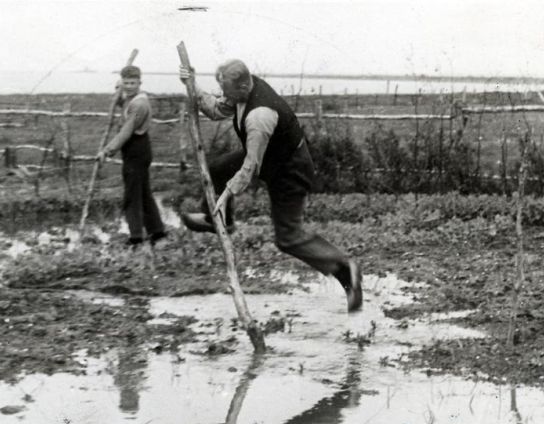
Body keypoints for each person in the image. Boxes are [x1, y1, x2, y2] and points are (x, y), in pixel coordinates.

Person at [179, 59, 362, 312]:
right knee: (218, 169)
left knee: (288, 237)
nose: (225, 97)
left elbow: (249, 168)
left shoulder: (259, 116)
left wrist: (224, 196)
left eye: (228, 92)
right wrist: (192, 84)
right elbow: (217, 109)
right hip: (272, 159)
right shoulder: (242, 89)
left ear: (244, 86)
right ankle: (221, 221)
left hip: (289, 170)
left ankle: (343, 267)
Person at [101, 65, 167, 246]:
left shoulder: (139, 104)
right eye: (126, 82)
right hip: (137, 149)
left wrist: (108, 150)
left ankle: (136, 237)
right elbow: (125, 103)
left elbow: (126, 131)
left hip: (136, 149)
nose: (129, 86)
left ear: (140, 83)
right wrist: (119, 94)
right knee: (144, 193)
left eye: (133, 83)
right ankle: (157, 232)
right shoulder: (132, 98)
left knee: (132, 195)